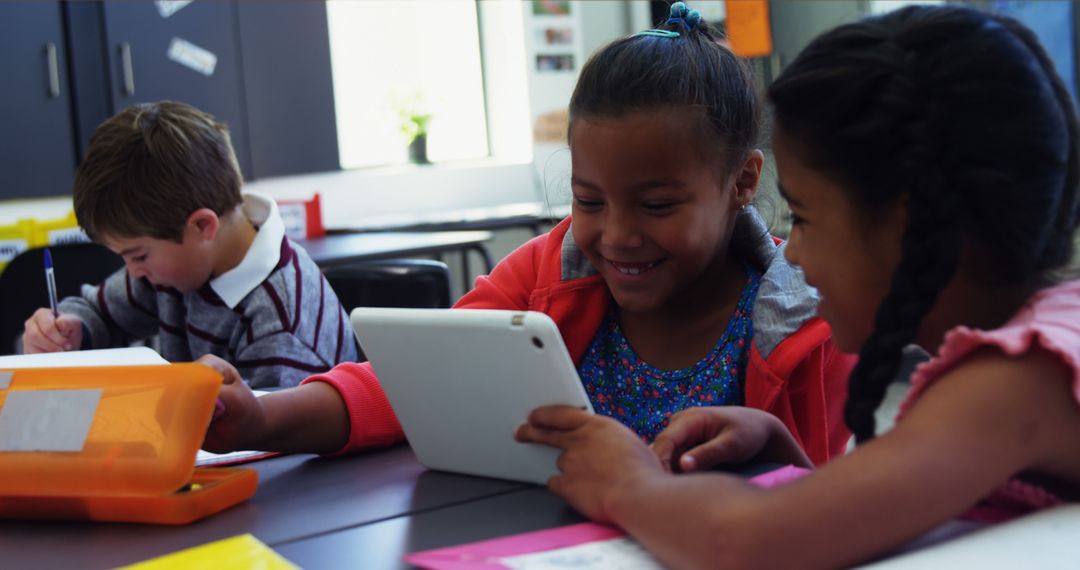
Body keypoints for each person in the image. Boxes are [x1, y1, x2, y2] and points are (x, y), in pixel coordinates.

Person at [515, 5, 1080, 569]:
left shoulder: (1018, 378)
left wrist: (626, 482)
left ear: (906, 227)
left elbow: (742, 543)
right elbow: (857, 531)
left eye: (805, 218)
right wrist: (780, 449)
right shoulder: (1047, 341)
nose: (797, 254)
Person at [199, 2, 854, 463]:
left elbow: (833, 505)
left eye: (656, 205)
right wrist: (262, 416)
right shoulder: (549, 273)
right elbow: (411, 385)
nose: (617, 236)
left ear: (742, 182)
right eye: (587, 200)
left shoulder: (807, 325)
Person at [20, 101, 358, 389]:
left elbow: (271, 449)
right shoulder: (173, 270)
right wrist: (67, 330)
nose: (133, 271)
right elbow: (99, 313)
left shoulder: (281, 324)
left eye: (138, 255)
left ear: (201, 226)